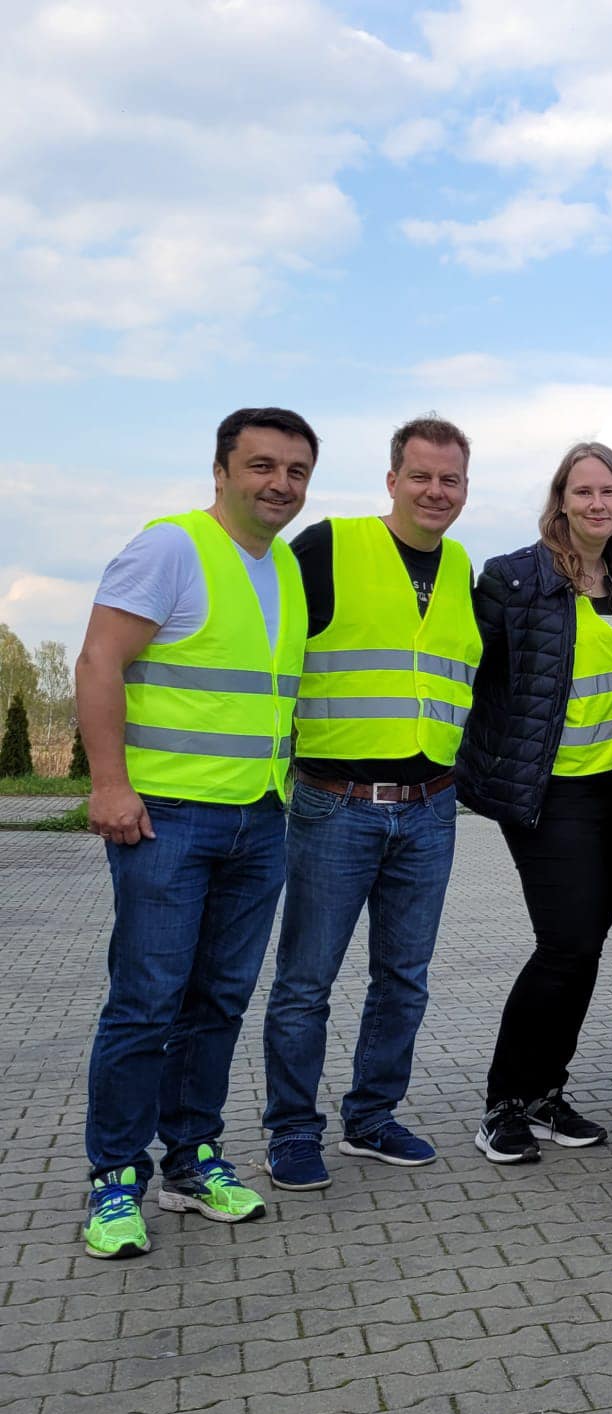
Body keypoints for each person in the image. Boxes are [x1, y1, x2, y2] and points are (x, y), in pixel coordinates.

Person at [74, 407, 317, 1259]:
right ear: (221, 470)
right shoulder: (171, 547)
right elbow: (101, 658)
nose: (278, 483)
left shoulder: (284, 567)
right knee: (145, 1003)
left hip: (259, 816)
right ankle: (113, 1180)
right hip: (166, 820)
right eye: (261, 466)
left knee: (217, 1002)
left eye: (294, 470)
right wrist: (109, 783)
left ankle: (194, 1158)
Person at [259, 415, 480, 1191]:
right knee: (305, 979)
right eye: (420, 476)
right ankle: (290, 1130)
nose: (435, 491)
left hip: (429, 806)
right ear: (392, 480)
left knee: (404, 977)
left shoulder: (460, 567)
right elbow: (272, 650)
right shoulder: (328, 545)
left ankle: (372, 1117)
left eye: (450, 479)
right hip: (335, 802)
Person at [457, 441, 612, 1163]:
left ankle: (547, 1092)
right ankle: (504, 1102)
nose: (598, 504)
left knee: (585, 950)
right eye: (583, 492)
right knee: (565, 945)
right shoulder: (515, 578)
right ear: (561, 500)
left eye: (610, 491)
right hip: (550, 794)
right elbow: (468, 672)